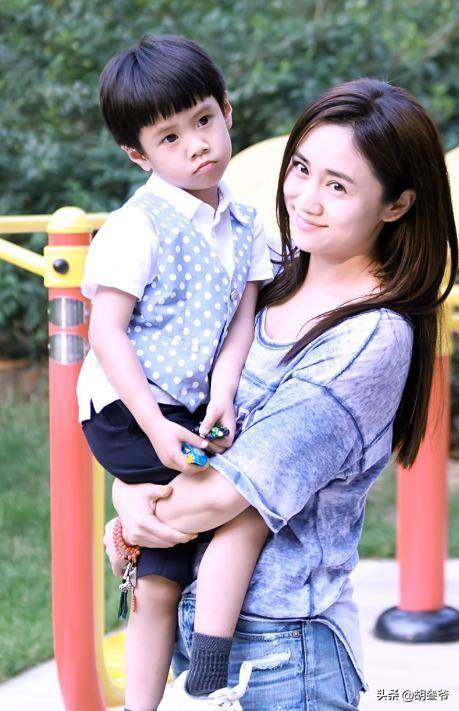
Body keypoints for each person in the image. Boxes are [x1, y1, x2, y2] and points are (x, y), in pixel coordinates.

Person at [105, 77, 458, 710]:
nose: (306, 199)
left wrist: (134, 513)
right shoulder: (267, 278)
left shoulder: (370, 338)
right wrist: (126, 490)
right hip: (199, 631)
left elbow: (220, 497)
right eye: (301, 169)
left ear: (397, 204)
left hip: (285, 657)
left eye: (338, 186)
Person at [77, 34, 274, 711]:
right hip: (125, 410)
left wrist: (223, 394)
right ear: (139, 155)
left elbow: (240, 321)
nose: (196, 145)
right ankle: (208, 676)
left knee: (162, 574)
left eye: (203, 120)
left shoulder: (247, 224)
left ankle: (151, 693)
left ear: (226, 111)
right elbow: (105, 332)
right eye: (169, 137)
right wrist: (156, 426)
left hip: (189, 406)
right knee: (238, 502)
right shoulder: (137, 227)